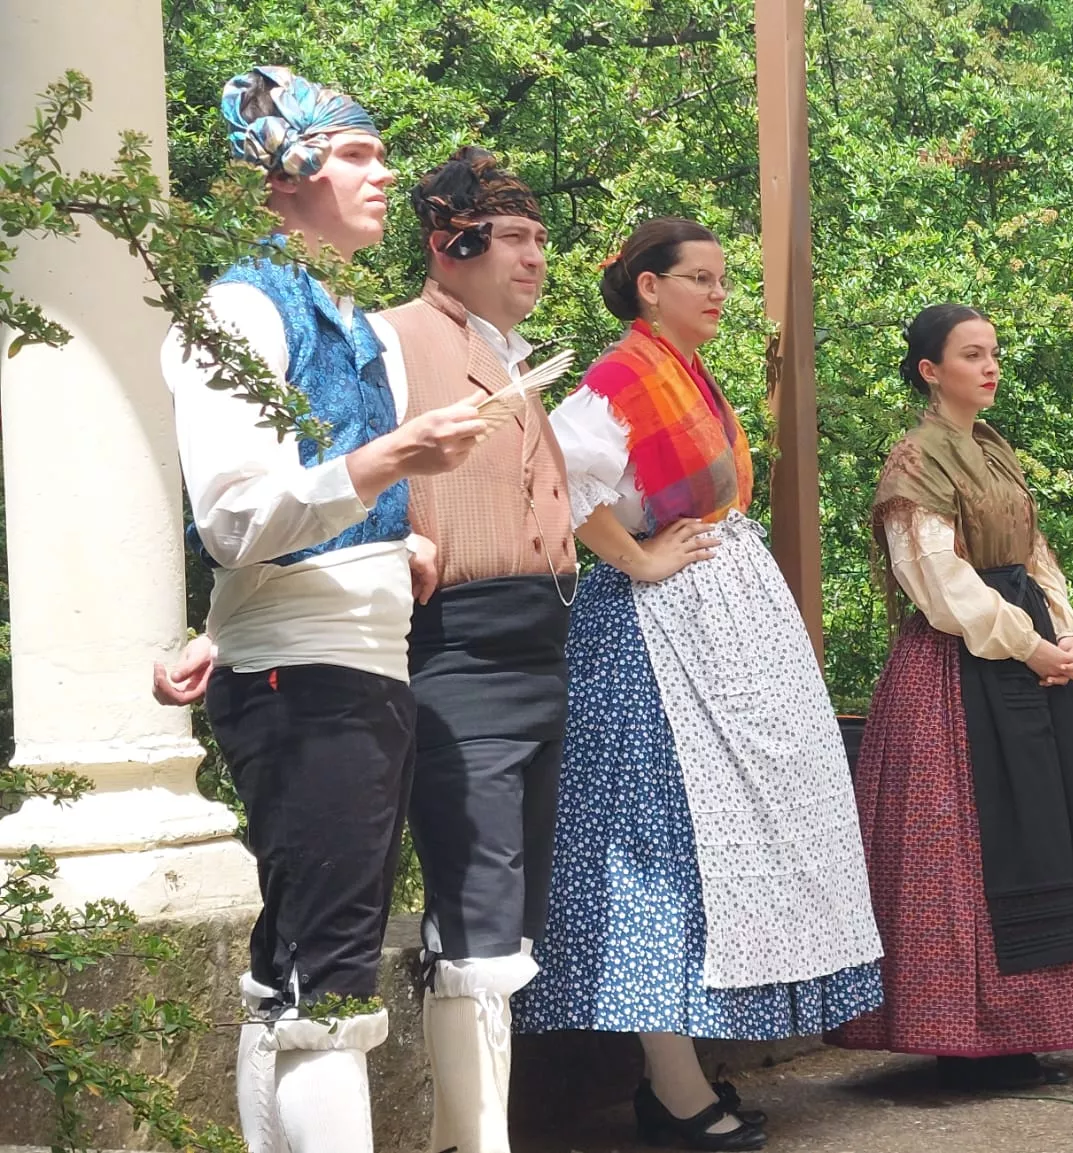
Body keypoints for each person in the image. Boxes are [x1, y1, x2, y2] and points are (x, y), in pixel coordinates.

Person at [161, 66, 485, 1151]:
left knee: (296, 968)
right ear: (285, 169)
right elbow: (235, 519)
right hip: (305, 677)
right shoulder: (237, 308)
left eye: (376, 151)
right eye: (353, 153)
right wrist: (385, 461)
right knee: (329, 985)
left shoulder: (360, 324)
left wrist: (399, 537)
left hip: (357, 664)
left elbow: (308, 513)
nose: (383, 170)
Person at [512, 217, 882, 1151]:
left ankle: (682, 1077)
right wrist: (637, 561)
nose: (720, 292)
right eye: (700, 278)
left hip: (716, 628)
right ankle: (674, 1087)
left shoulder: (682, 374)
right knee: (666, 844)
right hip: (656, 640)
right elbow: (562, 478)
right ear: (648, 286)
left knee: (721, 842)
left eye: (722, 278)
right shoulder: (619, 379)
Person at [828, 305, 1073, 1089]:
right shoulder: (915, 459)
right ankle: (965, 1036)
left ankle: (1031, 1029)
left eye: (995, 354)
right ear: (930, 371)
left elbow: (1034, 552)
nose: (991, 367)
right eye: (972, 355)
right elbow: (938, 582)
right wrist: (1028, 642)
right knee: (970, 847)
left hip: (1027, 657)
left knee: (1048, 829)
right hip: (958, 669)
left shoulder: (994, 450)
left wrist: (1063, 631)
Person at [377, 147, 577, 1153]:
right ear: (448, 240)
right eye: (513, 237)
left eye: (541, 238)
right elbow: (342, 475)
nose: (536, 257)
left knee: (514, 908)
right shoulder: (391, 342)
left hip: (540, 649)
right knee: (479, 907)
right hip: (456, 649)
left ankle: (479, 1134)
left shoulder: (507, 352)